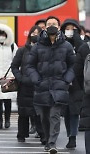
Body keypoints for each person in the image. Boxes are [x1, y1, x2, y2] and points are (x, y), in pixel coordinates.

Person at [25, 16, 75, 154]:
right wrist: (37, 80)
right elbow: (30, 66)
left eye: (54, 24)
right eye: (49, 24)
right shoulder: (38, 46)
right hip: (42, 86)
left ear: (59, 27)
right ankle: (47, 140)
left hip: (59, 86)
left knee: (54, 115)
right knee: (44, 117)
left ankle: (52, 143)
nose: (51, 26)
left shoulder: (66, 46)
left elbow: (73, 65)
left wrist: (66, 79)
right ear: (45, 27)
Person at [11, 25, 45, 144]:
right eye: (33, 33)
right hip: (24, 85)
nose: (35, 35)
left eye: (38, 33)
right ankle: (21, 134)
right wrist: (20, 78)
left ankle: (43, 135)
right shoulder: (22, 50)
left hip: (38, 85)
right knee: (23, 112)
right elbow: (14, 66)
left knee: (39, 112)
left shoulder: (44, 50)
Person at [60, 18, 84, 149]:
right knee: (66, 111)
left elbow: (84, 51)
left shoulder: (81, 42)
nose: (69, 31)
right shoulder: (60, 43)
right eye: (67, 29)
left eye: (72, 29)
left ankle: (72, 137)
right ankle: (70, 133)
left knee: (74, 111)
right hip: (63, 81)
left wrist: (76, 38)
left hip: (77, 83)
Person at [75, 40, 90, 154]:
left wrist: (85, 88)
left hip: (88, 95)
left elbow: (78, 72)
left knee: (89, 126)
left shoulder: (85, 47)